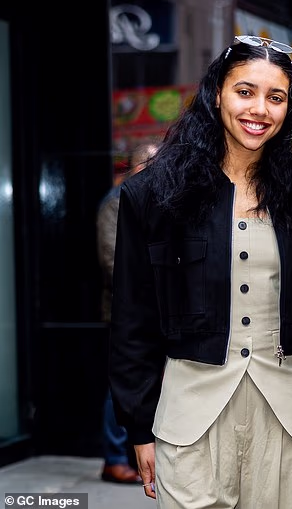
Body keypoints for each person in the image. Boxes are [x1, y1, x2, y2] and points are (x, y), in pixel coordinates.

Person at [108, 36, 292, 508]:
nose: (259, 109)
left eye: (276, 97)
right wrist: (139, 427)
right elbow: (132, 319)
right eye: (245, 91)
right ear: (217, 93)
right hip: (189, 415)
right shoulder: (155, 194)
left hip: (284, 415)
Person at [96, 140, 158, 484]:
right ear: (134, 167)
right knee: (120, 385)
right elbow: (111, 260)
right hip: (124, 312)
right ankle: (114, 458)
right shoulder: (115, 202)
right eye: (148, 164)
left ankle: (138, 456)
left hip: (155, 312)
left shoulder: (158, 200)